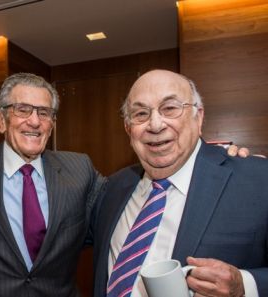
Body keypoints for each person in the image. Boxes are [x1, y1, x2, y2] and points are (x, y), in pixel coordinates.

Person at [91, 69, 268, 297]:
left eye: (170, 108)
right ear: (128, 129)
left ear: (199, 116)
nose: (155, 125)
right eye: (141, 114)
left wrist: (245, 285)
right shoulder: (113, 187)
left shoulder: (257, 179)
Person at [0, 72, 105, 296]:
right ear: (0, 120)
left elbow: (116, 211)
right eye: (22, 109)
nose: (34, 121)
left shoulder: (79, 169)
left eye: (44, 113)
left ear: (52, 124)